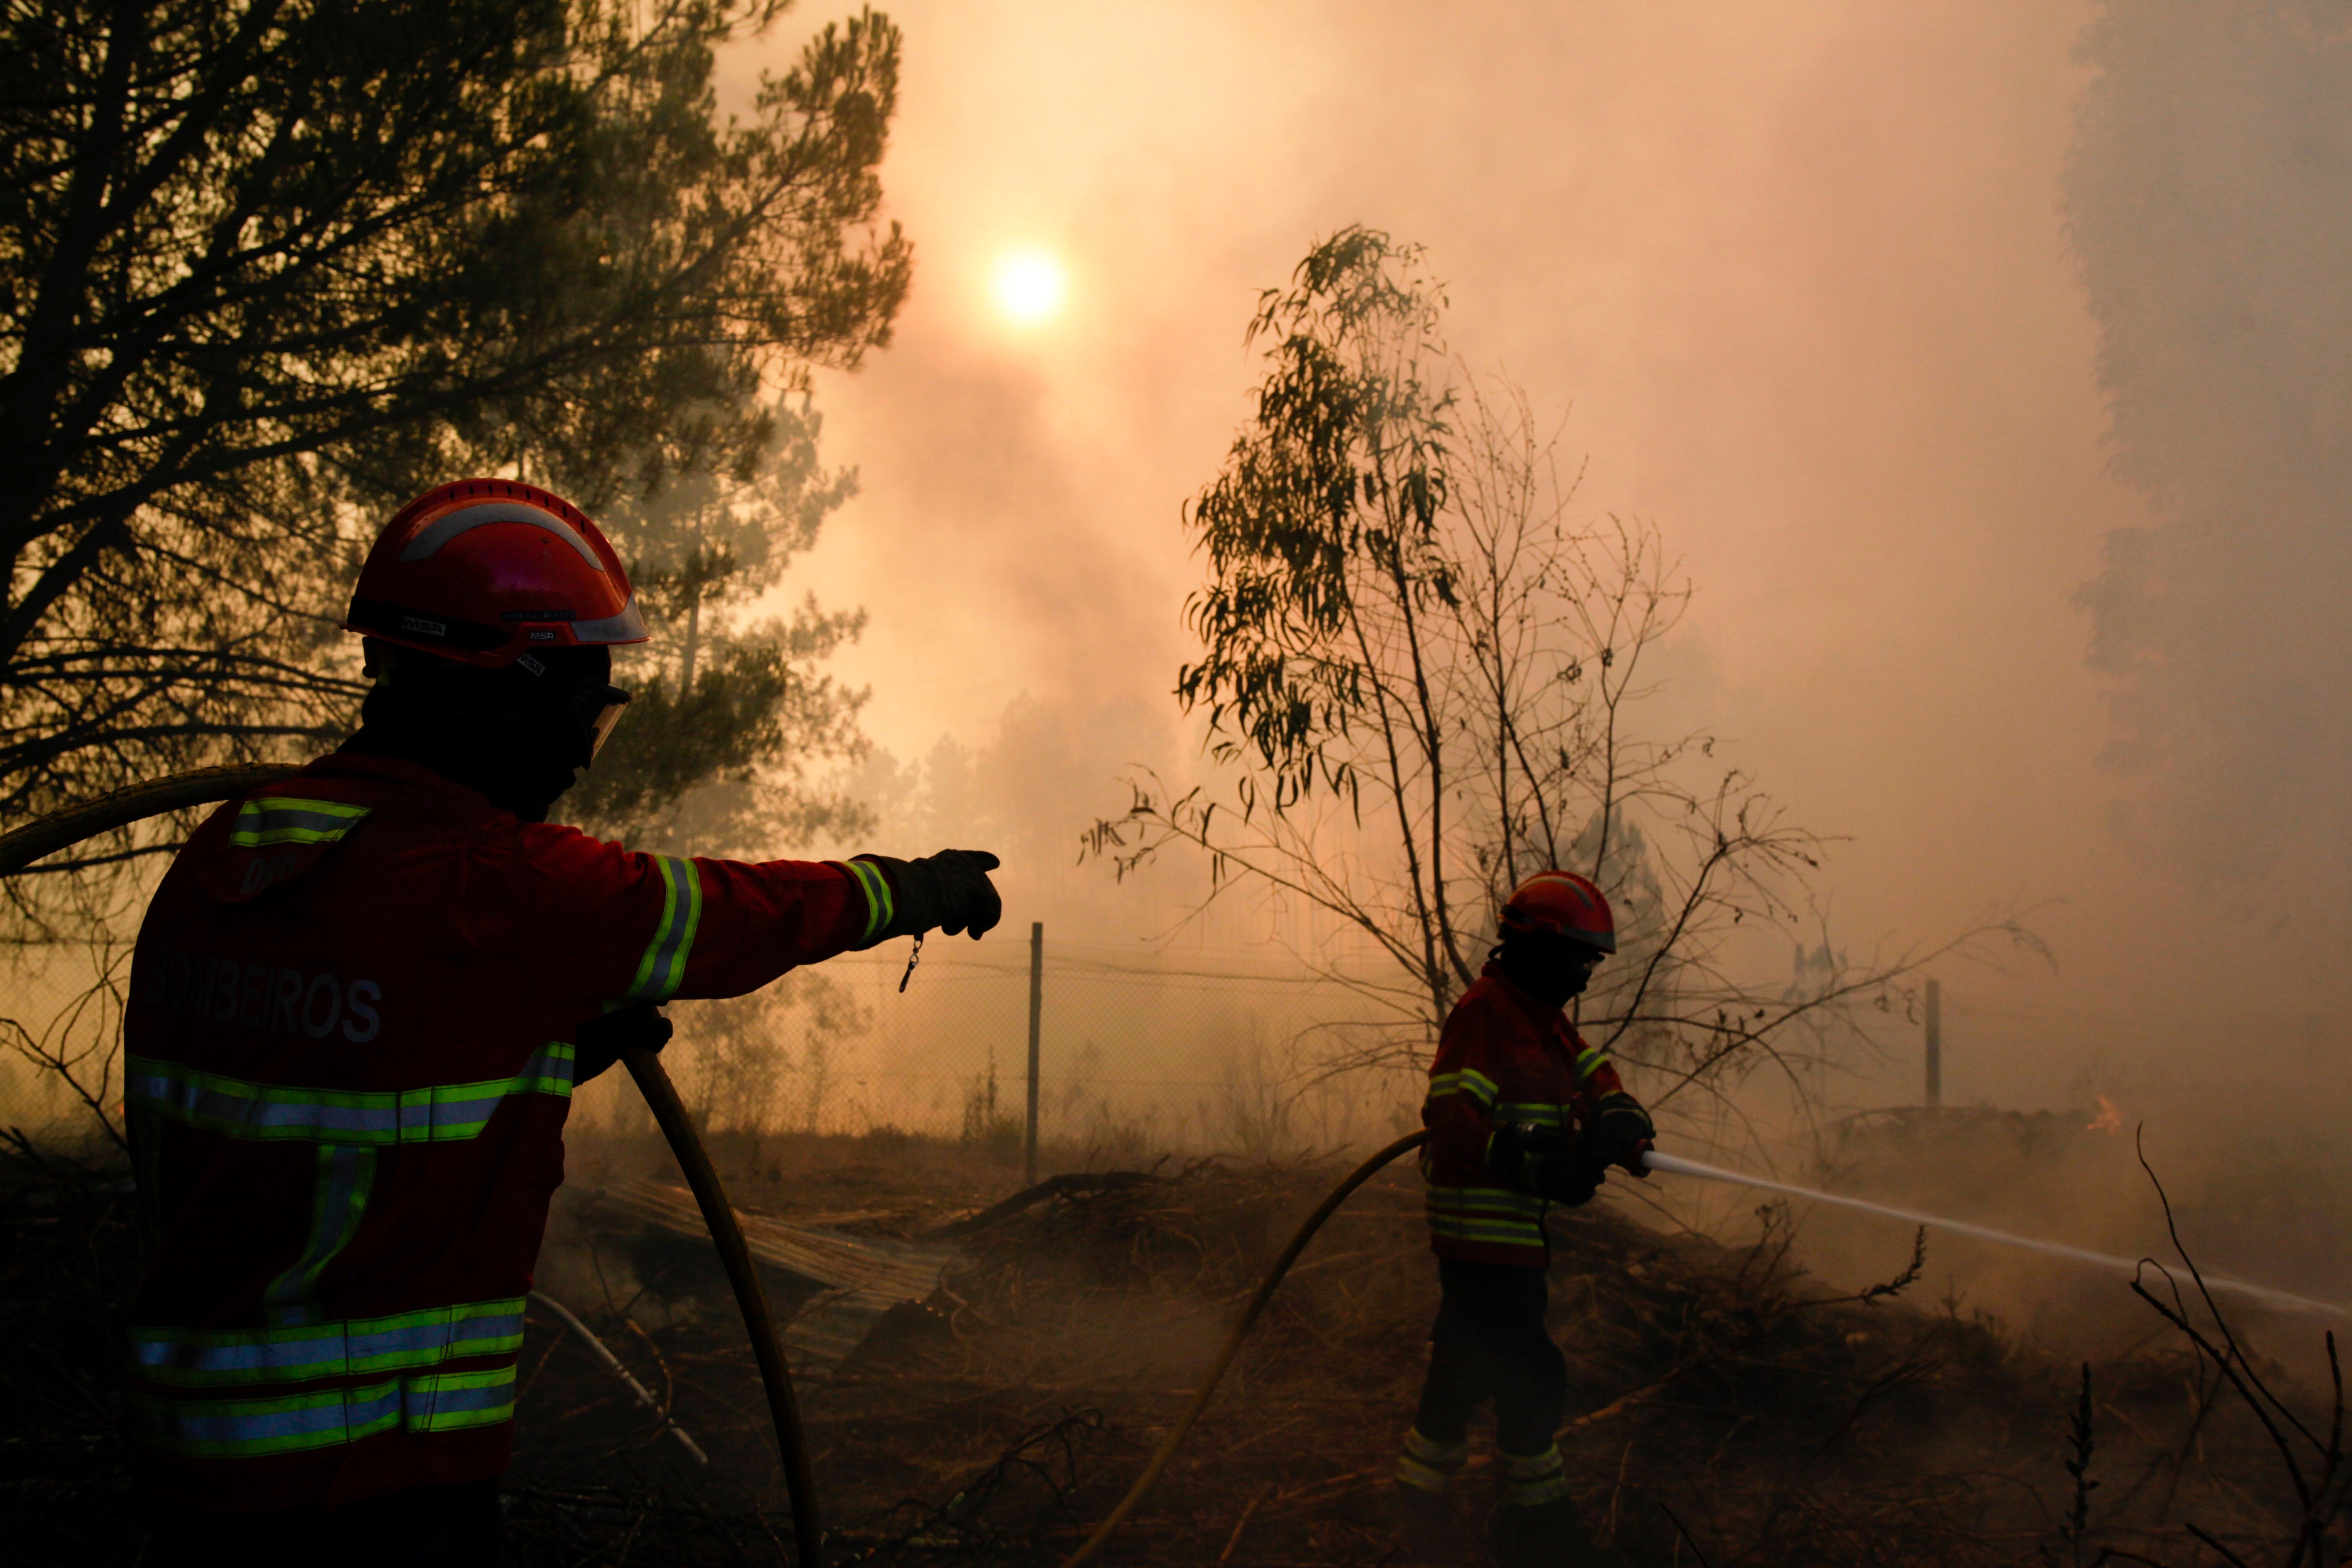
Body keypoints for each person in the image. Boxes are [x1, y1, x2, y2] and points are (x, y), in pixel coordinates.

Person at [119, 478, 1002, 1565]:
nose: (583, 754)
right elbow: (731, 914)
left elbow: (318, 1087)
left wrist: (519, 1060)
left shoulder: (228, 858)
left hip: (188, 1473)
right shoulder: (493, 885)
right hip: (367, 1489)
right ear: (506, 694)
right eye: (583, 714)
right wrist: (908, 891)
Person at [1394, 870, 1656, 1568]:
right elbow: (1452, 1121)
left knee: (1461, 1371)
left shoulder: (1544, 1022)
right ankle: (1538, 1530)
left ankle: (1418, 1506)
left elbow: (1592, 1075)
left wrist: (1621, 1118)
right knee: (1532, 1379)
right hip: (1481, 1238)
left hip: (1511, 1242)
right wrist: (1537, 1165)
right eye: (1579, 959)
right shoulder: (1487, 1015)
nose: (1583, 975)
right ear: (1538, 948)